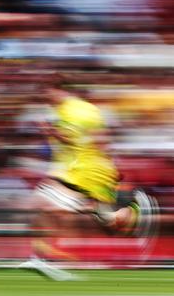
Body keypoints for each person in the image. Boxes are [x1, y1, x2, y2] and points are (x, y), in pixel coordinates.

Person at [20, 78, 143, 280]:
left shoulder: (74, 110)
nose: (43, 97)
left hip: (81, 171)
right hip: (80, 170)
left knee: (43, 206)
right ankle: (130, 212)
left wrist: (49, 130)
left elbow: (74, 139)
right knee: (102, 218)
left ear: (58, 90)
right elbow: (97, 138)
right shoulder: (71, 110)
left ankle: (44, 259)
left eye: (46, 92)